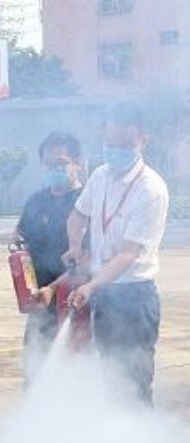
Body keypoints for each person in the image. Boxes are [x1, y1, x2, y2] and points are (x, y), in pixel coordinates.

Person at [62, 102, 169, 405]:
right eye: (110, 144)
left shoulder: (151, 189)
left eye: (125, 145)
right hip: (105, 296)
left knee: (133, 384)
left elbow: (128, 254)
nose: (116, 151)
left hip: (135, 298)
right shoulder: (100, 176)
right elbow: (77, 216)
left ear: (142, 140)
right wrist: (74, 246)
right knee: (109, 380)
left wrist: (91, 284)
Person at [13, 132, 84, 376]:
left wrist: (54, 289)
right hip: (40, 303)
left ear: (78, 163)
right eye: (49, 164)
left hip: (79, 304)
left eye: (62, 163)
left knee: (74, 375)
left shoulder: (87, 202)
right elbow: (20, 237)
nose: (55, 169)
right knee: (35, 372)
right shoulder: (36, 201)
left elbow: (90, 259)